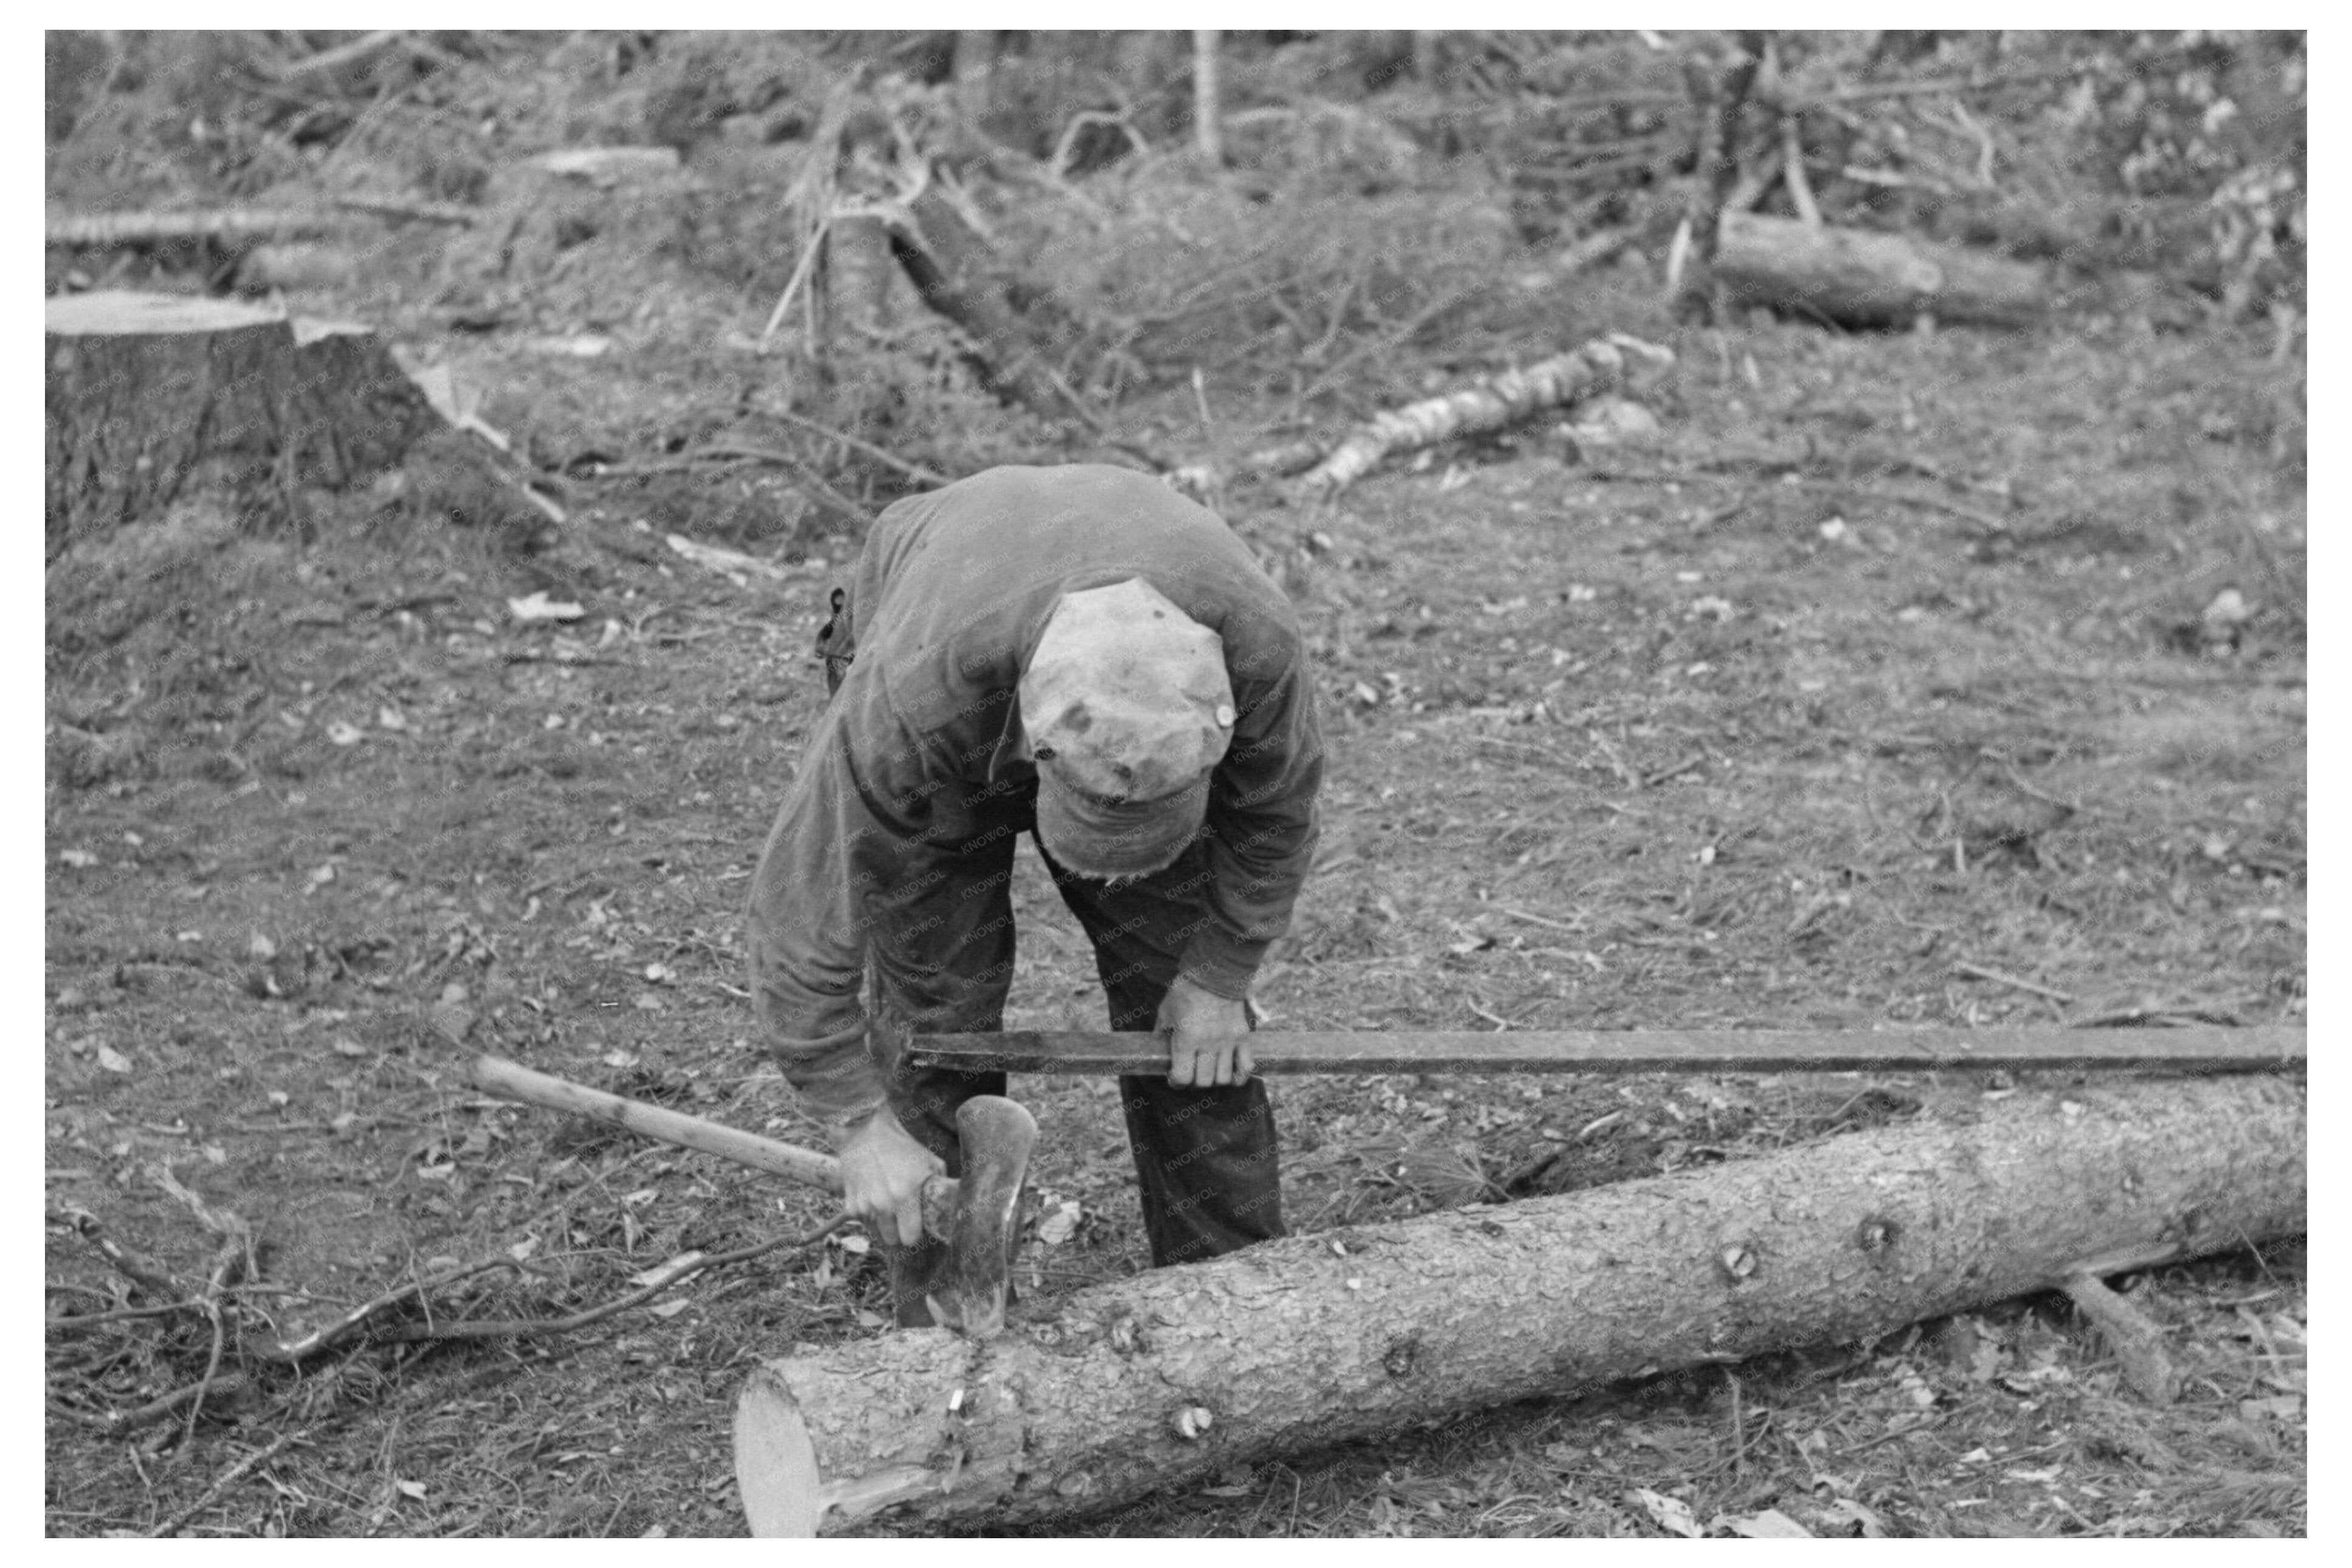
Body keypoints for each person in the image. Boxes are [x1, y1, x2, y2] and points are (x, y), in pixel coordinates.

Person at [746, 464, 1324, 1323]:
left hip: (1075, 651)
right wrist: (858, 1123)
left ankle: (1230, 1304)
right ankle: (946, 1318)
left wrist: (1219, 975)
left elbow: (1275, 817)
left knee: (1195, 1029)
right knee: (938, 1020)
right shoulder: (910, 700)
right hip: (954, 651)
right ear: (1035, 748)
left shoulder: (1256, 655)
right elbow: (802, 908)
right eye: (1100, 829)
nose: (1113, 865)